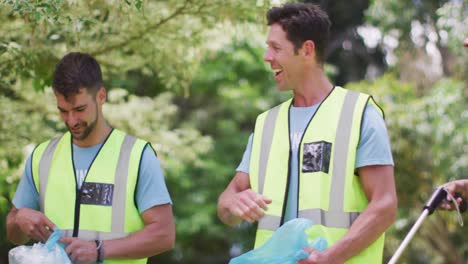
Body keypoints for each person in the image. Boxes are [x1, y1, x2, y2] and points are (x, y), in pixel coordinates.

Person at [217, 3, 397, 264]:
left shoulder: (359, 114)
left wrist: (329, 258)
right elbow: (227, 202)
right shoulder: (266, 124)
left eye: (276, 48)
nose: (267, 57)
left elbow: (385, 206)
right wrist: (233, 204)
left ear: (307, 50)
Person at [6, 52, 175, 264]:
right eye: (63, 111)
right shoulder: (42, 156)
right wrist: (19, 219)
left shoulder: (137, 156)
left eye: (79, 109)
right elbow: (13, 234)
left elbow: (164, 235)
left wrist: (100, 250)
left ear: (101, 96)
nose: (71, 120)